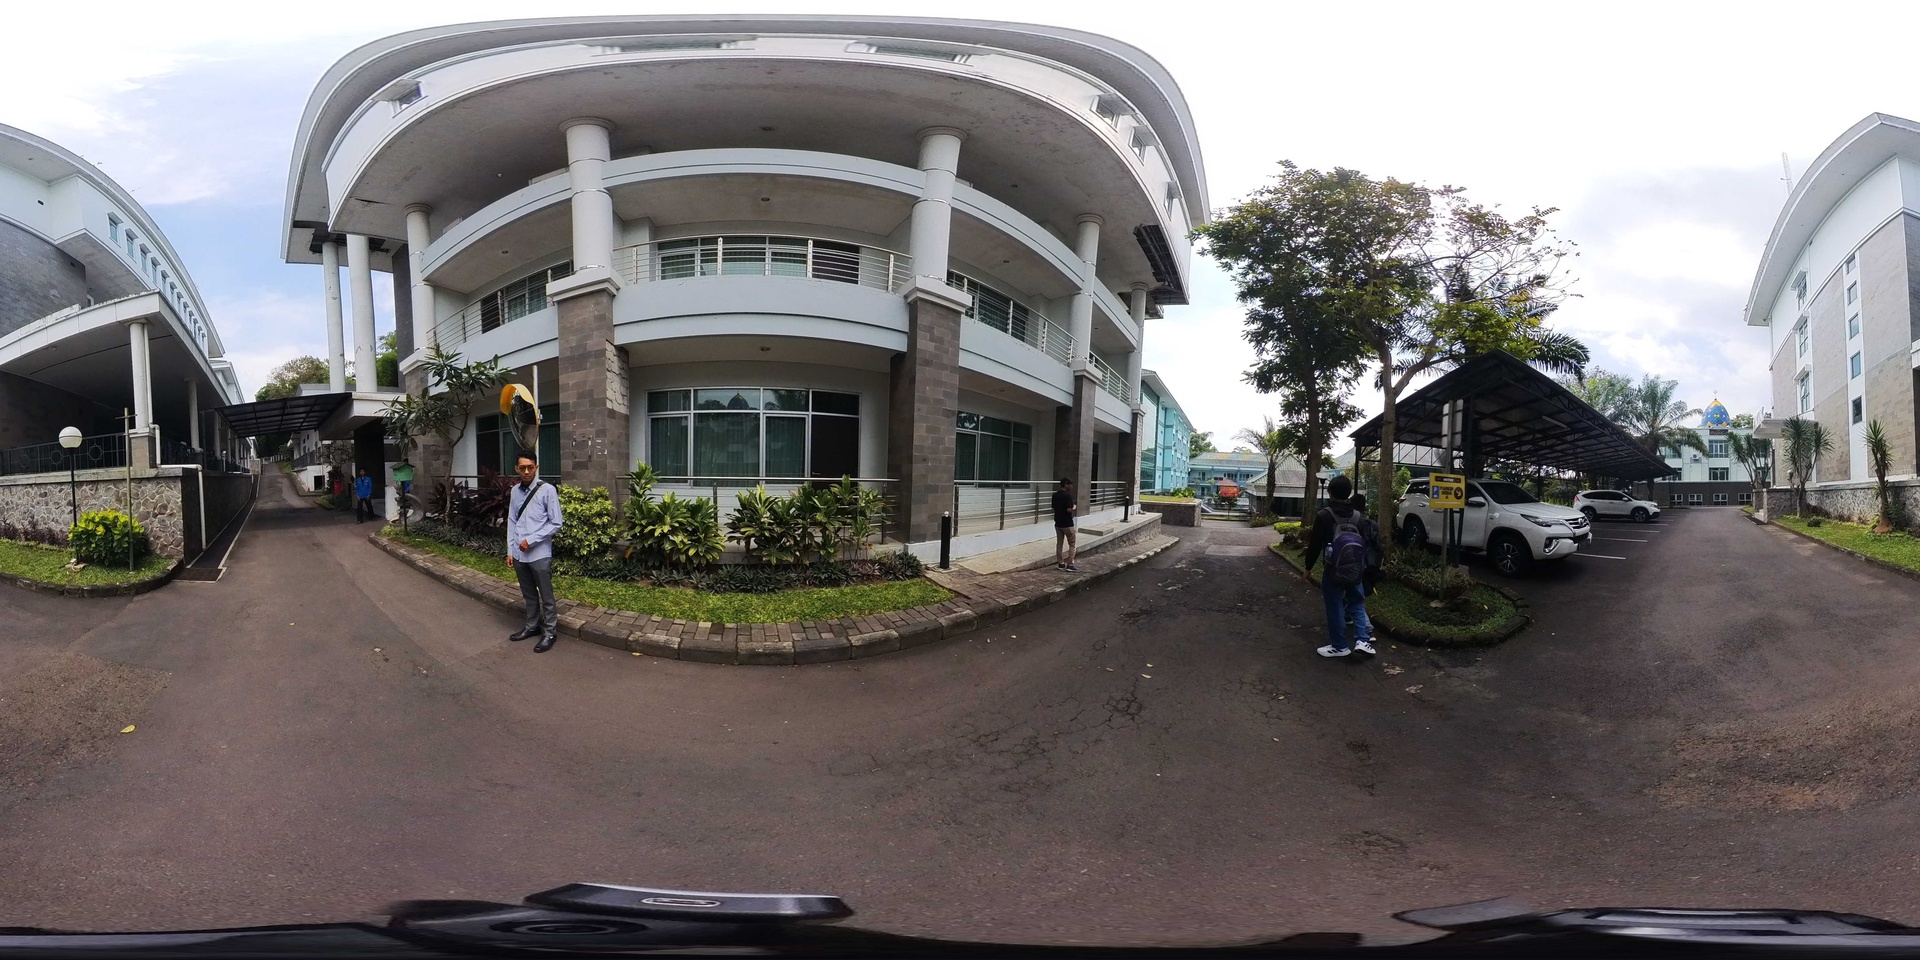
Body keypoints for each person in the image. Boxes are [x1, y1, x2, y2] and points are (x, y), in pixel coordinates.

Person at [1302, 475, 1376, 659]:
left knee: (1335, 605)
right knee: (1356, 602)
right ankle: (1363, 641)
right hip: (1355, 570)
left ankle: (1340, 646)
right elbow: (1364, 544)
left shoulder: (1324, 515)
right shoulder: (1358, 516)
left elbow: (1315, 544)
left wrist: (1308, 567)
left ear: (1330, 493)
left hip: (1332, 569)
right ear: (1348, 493)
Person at [506, 454, 564, 653]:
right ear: (516, 469)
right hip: (519, 554)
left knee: (546, 596)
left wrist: (531, 540)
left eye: (530, 467)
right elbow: (512, 521)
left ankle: (550, 633)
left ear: (536, 467)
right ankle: (532, 626)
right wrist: (510, 550)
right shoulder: (515, 491)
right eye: (522, 468)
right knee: (529, 594)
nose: (526, 471)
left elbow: (556, 523)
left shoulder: (547, 490)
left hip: (539, 554)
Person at [1053, 477, 1078, 571]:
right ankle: (1070, 564)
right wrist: (1074, 507)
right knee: (1072, 544)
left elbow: (1054, 507)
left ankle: (1060, 563)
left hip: (1058, 523)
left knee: (1059, 543)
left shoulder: (1055, 495)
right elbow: (1069, 509)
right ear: (1066, 484)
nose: (1071, 486)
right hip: (1067, 524)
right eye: (1070, 484)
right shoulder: (1068, 496)